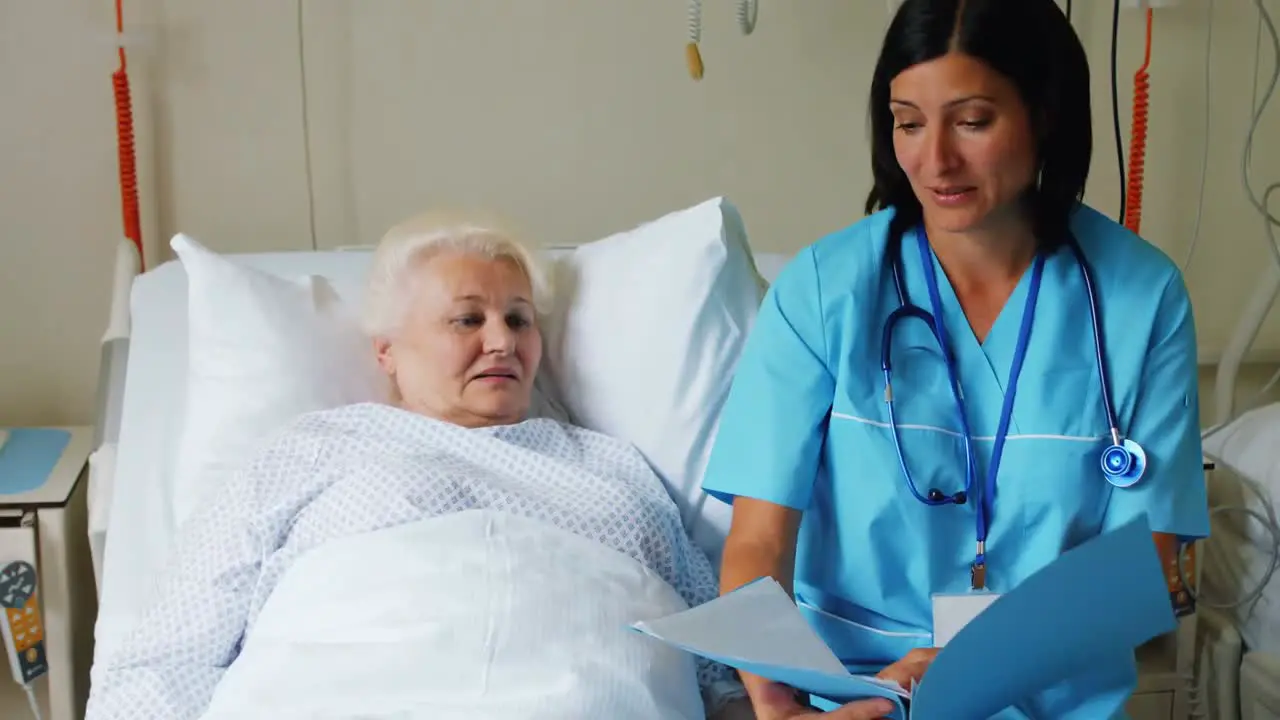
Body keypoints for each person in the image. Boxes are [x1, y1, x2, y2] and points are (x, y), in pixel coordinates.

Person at [701, 0, 1210, 718]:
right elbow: (758, 540)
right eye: (909, 122)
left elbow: (1150, 562)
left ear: (1046, 114)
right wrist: (777, 701)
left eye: (972, 121)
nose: (934, 159)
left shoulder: (1140, 298)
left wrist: (966, 666)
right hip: (851, 694)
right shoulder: (822, 292)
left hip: (1049, 696)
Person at [85, 212, 746, 719]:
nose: (503, 341)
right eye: (467, 319)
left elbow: (723, 661)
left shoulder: (612, 466)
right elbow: (169, 659)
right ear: (387, 350)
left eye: (519, 319)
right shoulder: (310, 451)